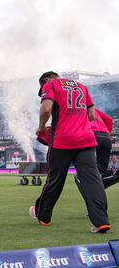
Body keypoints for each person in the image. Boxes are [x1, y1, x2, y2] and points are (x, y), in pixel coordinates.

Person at [30, 71, 110, 233]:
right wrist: (77, 125)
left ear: (45, 79)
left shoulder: (50, 84)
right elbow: (91, 114)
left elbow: (46, 110)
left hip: (62, 140)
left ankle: (43, 216)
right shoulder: (81, 86)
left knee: (55, 179)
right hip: (86, 139)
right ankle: (101, 222)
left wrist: (40, 127)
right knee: (92, 180)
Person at [90, 108, 118, 189]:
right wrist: (107, 133)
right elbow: (109, 119)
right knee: (101, 171)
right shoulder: (94, 109)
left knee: (87, 165)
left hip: (92, 135)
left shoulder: (78, 111)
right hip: (106, 137)